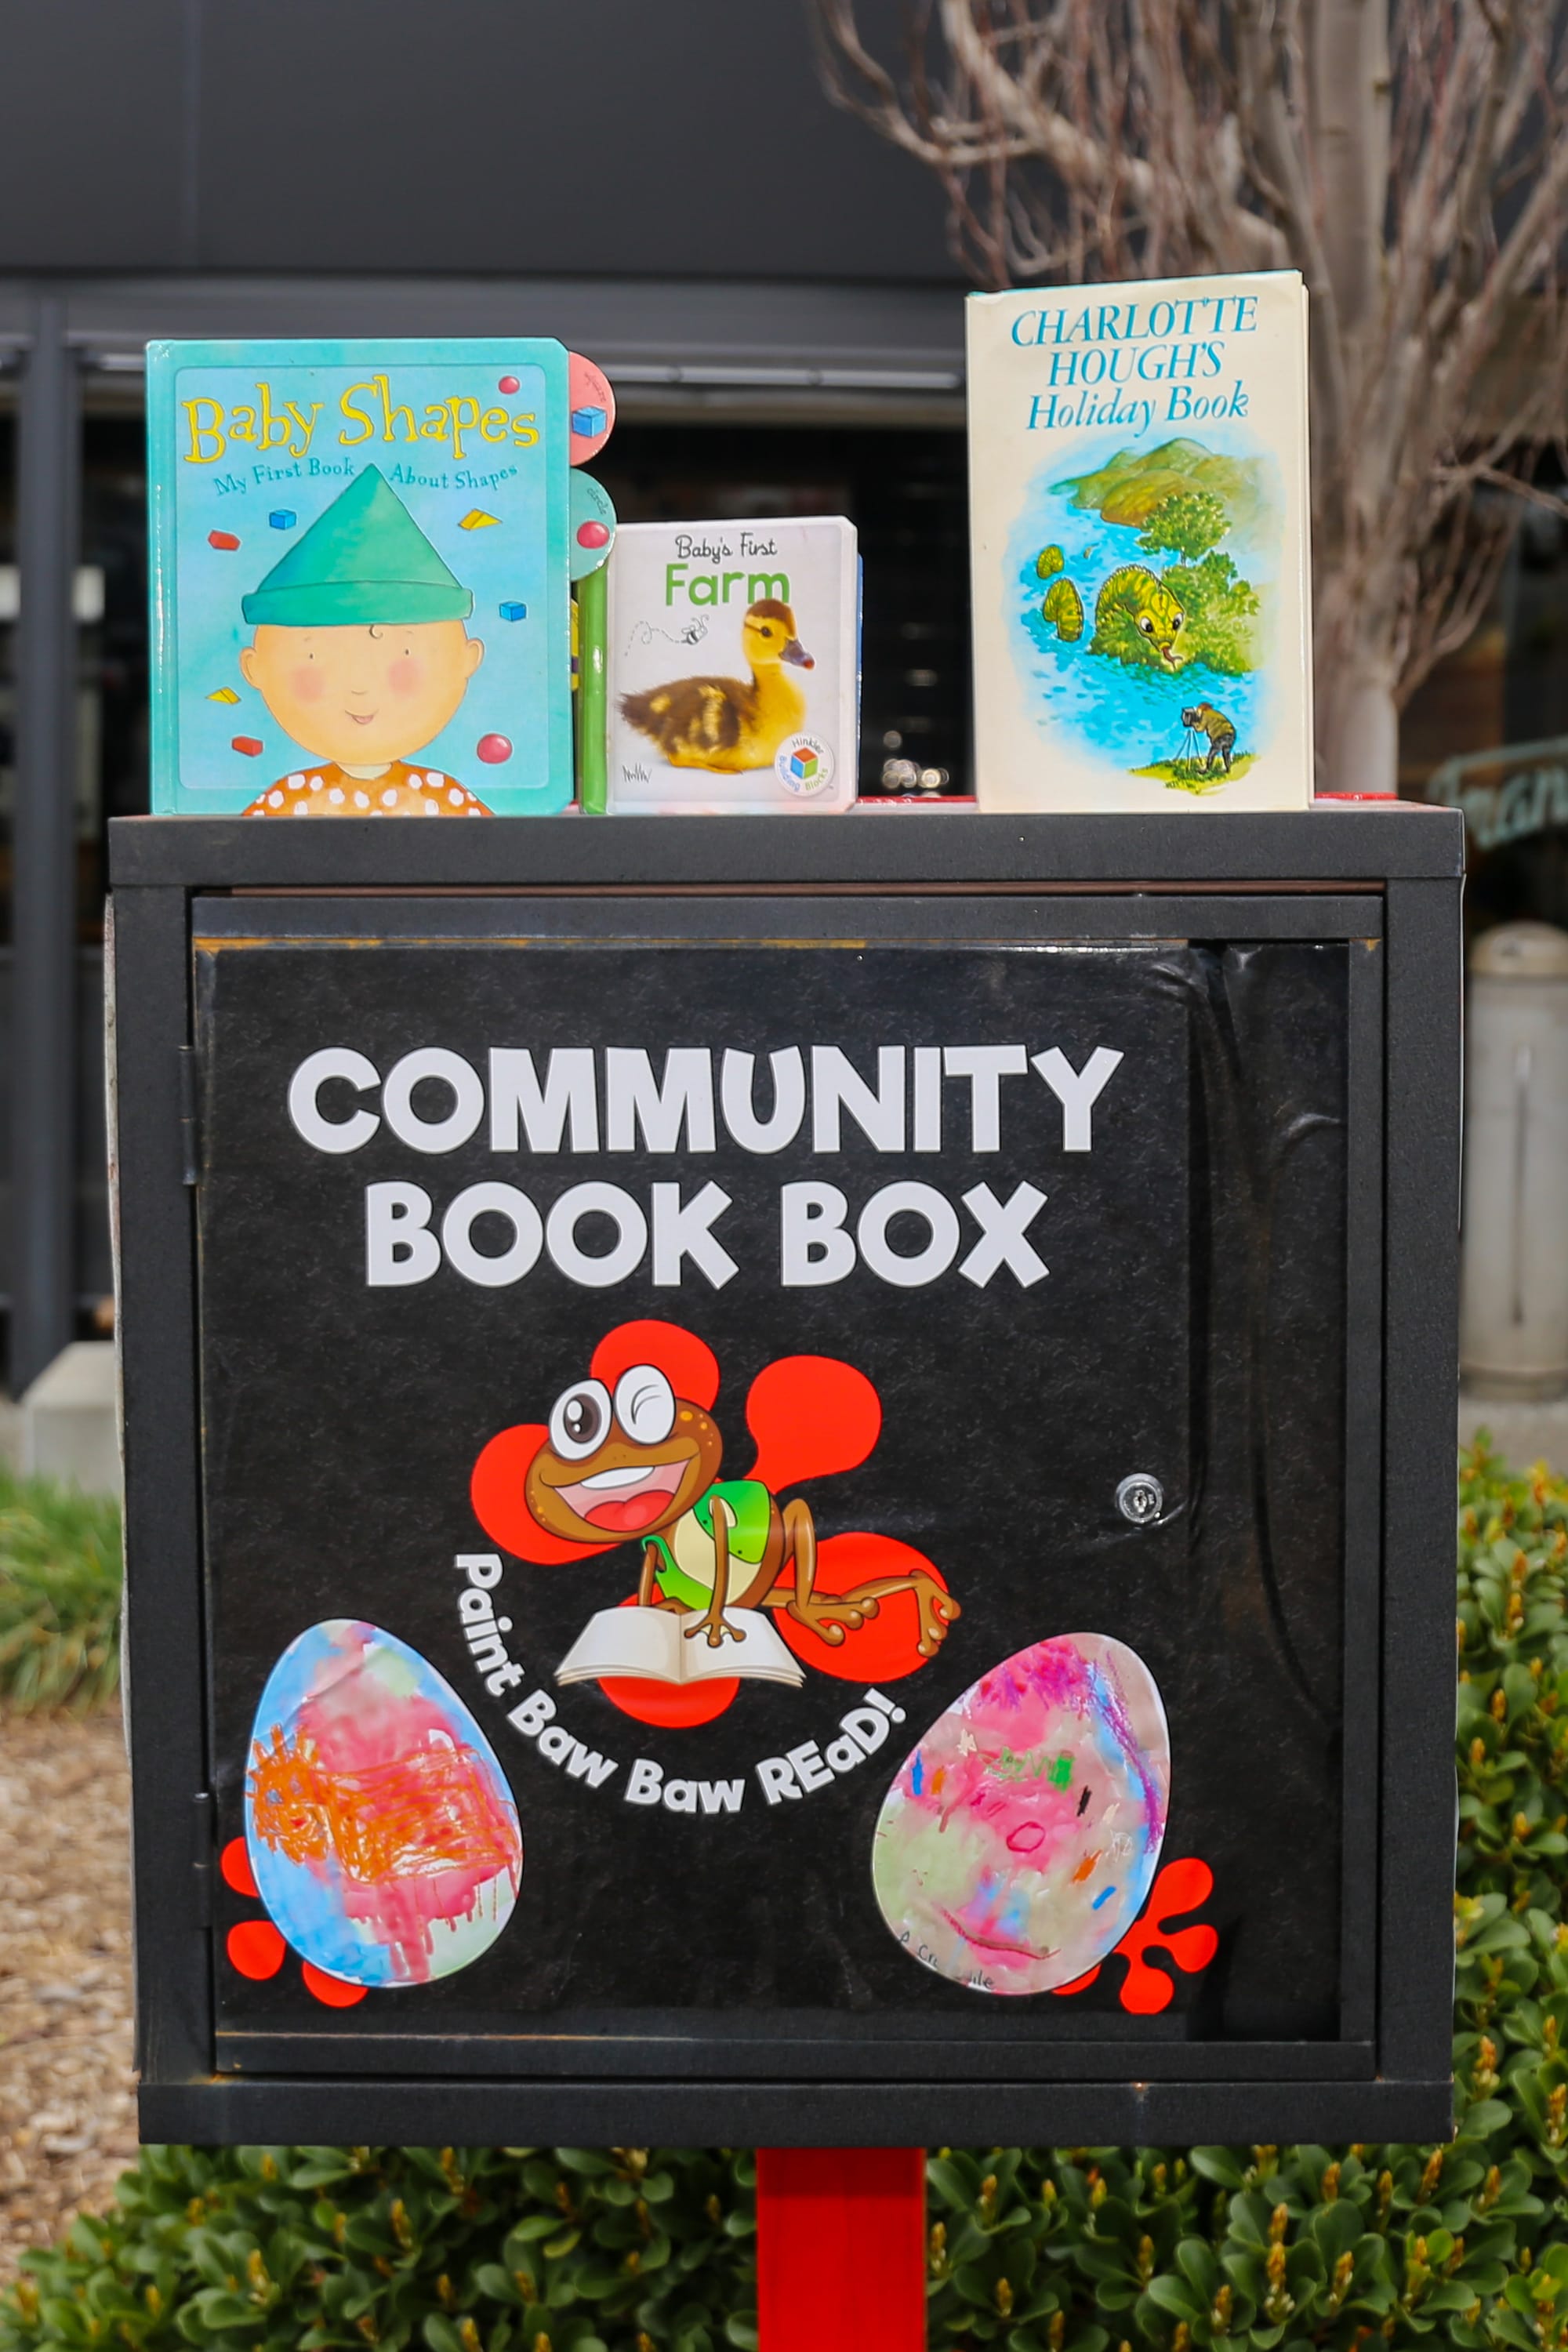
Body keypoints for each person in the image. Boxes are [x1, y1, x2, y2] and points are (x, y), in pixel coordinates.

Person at [237, 464, 492, 816]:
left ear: (467, 659)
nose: (359, 686)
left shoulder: (448, 802)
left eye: (404, 653)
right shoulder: (285, 804)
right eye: (314, 657)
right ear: (255, 667)